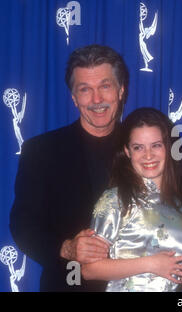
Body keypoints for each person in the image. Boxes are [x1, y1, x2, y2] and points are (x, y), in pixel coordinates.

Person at [9, 44, 129, 291]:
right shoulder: (41, 150)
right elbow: (23, 224)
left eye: (105, 86)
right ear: (74, 98)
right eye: (85, 89)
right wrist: (67, 248)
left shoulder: (147, 148)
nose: (96, 99)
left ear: (121, 91)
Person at [81, 107, 182, 292]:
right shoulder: (116, 199)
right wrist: (151, 264)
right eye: (138, 147)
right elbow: (89, 269)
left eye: (156, 145)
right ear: (127, 151)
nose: (148, 155)